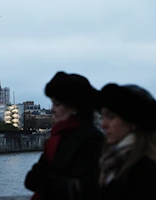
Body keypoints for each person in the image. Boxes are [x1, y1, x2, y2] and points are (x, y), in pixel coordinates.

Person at [24, 71, 104, 200]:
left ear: (74, 107)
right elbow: (30, 181)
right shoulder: (57, 138)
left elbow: (84, 188)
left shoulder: (91, 141)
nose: (52, 109)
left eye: (57, 104)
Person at [98, 83, 156, 200]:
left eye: (111, 117)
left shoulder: (150, 172)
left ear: (133, 123)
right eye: (103, 117)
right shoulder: (114, 162)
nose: (103, 124)